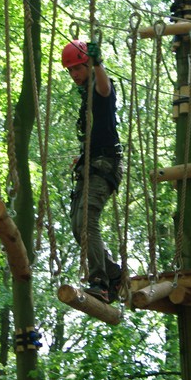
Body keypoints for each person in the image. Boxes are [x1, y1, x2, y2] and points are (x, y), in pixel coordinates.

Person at [62, 39, 123, 304]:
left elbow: (104, 87)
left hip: (105, 165)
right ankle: (114, 274)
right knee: (77, 227)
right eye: (71, 70)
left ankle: (100, 282)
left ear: (88, 65)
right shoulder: (85, 97)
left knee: (87, 222)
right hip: (91, 165)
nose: (74, 74)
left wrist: (97, 63)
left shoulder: (100, 89)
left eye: (78, 68)